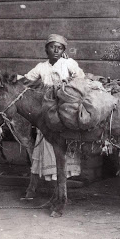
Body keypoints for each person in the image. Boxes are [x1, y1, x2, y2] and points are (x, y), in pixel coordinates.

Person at [23, 34, 85, 187]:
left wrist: (68, 85)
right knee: (46, 139)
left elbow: (81, 78)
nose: (56, 50)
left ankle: (62, 180)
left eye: (60, 48)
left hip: (65, 108)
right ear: (46, 49)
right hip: (47, 109)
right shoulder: (41, 67)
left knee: (63, 139)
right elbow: (26, 79)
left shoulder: (68, 63)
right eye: (52, 47)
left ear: (63, 50)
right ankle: (50, 180)